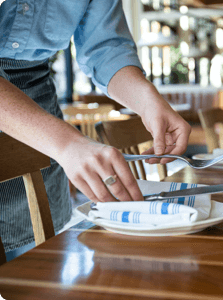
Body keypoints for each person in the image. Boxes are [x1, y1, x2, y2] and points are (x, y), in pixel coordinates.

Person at [0, 0, 191, 256]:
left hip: (40, 108)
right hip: (46, 131)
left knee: (37, 263)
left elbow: (107, 49)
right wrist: (67, 143)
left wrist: (146, 100)